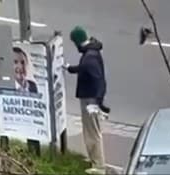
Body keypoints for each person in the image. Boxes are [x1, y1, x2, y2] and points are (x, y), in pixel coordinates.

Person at [64, 26, 108, 175]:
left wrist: (97, 102)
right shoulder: (92, 52)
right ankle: (95, 160)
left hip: (90, 99)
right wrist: (70, 68)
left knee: (92, 132)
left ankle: (99, 166)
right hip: (92, 98)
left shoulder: (89, 57)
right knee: (92, 131)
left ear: (77, 41)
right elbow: (83, 68)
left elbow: (97, 79)